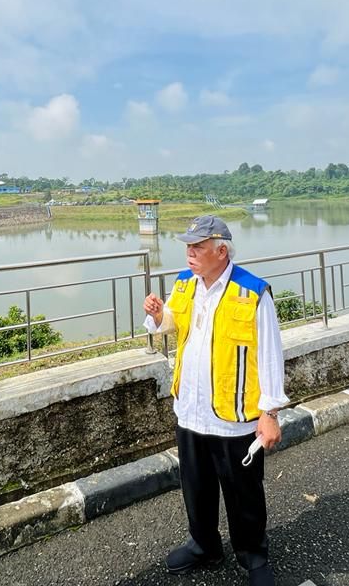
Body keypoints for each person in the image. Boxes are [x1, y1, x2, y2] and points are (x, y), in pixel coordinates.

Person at [143, 215, 287, 586]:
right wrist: (160, 315)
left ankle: (252, 554)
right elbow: (173, 323)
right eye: (188, 246)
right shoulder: (185, 284)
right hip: (191, 411)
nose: (189, 253)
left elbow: (270, 355)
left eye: (197, 247)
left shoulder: (253, 292)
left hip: (234, 416)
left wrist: (268, 412)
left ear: (221, 251)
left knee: (244, 493)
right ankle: (205, 544)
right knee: (196, 487)